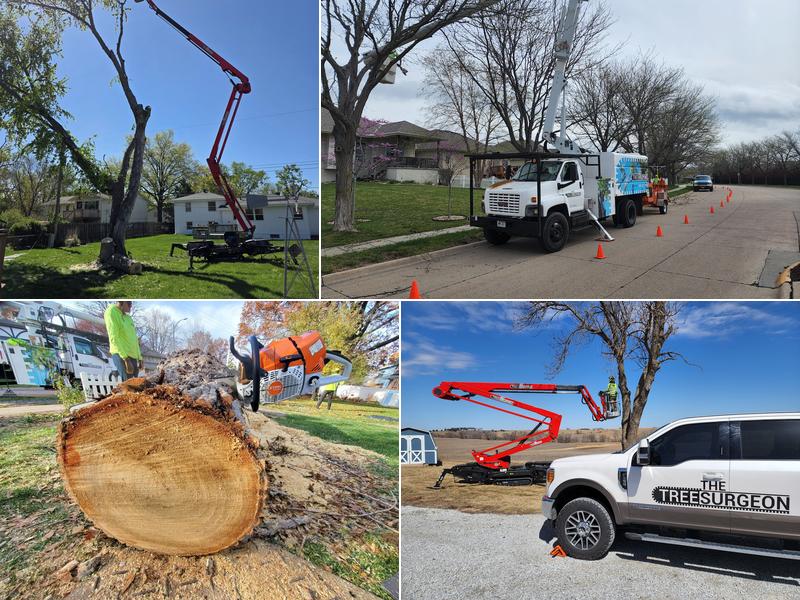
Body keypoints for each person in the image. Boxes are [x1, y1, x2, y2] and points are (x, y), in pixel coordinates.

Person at [104, 301, 142, 381]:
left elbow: (135, 339)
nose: (131, 305)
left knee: (137, 386)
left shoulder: (129, 318)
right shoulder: (111, 312)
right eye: (129, 303)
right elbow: (114, 337)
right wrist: (126, 359)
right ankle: (118, 371)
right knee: (129, 386)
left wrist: (140, 358)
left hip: (133, 356)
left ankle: (117, 372)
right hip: (122, 354)